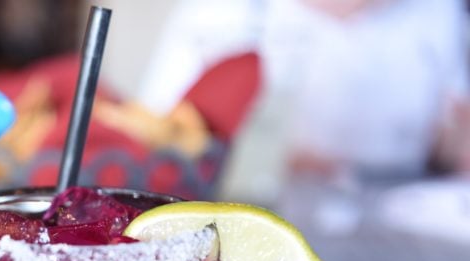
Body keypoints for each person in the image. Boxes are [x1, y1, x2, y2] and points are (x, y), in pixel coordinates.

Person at [135, 0, 470, 202]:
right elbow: (154, 138)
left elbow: (453, 145)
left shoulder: (437, 12)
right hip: (250, 225)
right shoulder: (230, 11)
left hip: (395, 251)